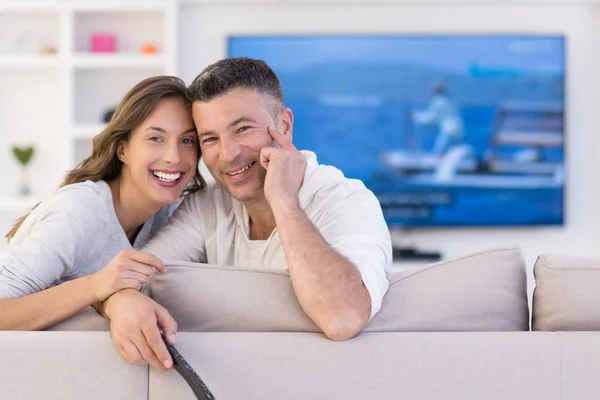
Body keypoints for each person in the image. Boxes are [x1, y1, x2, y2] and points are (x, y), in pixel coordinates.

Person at [100, 57, 392, 370]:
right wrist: (121, 301)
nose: (228, 154)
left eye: (242, 129)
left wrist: (283, 201)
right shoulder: (208, 204)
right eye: (210, 138)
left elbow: (342, 317)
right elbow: (133, 277)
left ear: (285, 126)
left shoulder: (345, 199)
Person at [0, 76, 205, 336]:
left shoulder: (172, 216)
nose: (173, 157)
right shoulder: (80, 210)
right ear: (123, 150)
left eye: (187, 141)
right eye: (155, 138)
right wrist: (96, 286)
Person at [412, 82, 464, 156]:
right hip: (458, 130)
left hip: (448, 130)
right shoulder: (448, 101)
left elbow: (431, 118)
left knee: (439, 154)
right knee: (453, 153)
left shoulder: (438, 101)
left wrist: (416, 116)